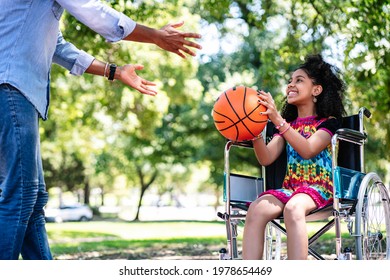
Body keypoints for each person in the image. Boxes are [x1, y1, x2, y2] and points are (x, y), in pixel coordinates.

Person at [0, 0, 201, 260]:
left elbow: (58, 48)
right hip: (11, 89)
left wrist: (114, 71)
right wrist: (156, 36)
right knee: (22, 194)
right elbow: (93, 11)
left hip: (16, 92)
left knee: (33, 199)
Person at [242, 54, 346, 260]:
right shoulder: (287, 127)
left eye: (299, 80)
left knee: (294, 208)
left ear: (316, 90)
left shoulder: (328, 123)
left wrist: (278, 120)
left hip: (319, 188)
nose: (291, 84)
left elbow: (308, 149)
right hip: (291, 188)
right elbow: (266, 158)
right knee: (256, 209)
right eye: (290, 81)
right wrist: (254, 132)